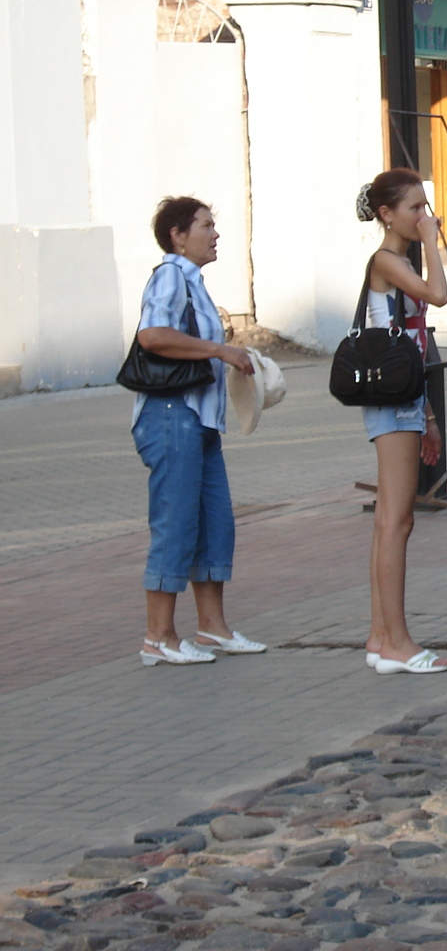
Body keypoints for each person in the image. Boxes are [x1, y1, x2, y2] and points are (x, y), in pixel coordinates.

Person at [133, 197, 266, 665]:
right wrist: (220, 350)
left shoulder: (194, 282)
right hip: (171, 416)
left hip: (200, 420)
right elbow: (152, 336)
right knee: (176, 525)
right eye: (206, 225)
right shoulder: (169, 274)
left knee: (214, 524)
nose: (215, 234)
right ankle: (159, 637)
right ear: (177, 235)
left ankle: (212, 629)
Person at [356, 168, 447, 675]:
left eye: (425, 206)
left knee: (393, 521)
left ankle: (380, 636)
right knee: (396, 521)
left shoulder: (395, 262)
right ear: (387, 215)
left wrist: (429, 416)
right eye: (415, 208)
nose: (425, 217)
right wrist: (434, 245)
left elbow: (412, 341)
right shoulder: (387, 261)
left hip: (406, 398)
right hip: (392, 401)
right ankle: (397, 640)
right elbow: (438, 296)